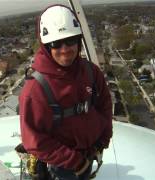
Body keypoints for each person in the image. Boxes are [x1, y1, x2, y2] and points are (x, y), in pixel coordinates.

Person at [19, 5, 112, 180]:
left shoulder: (91, 72)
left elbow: (105, 104)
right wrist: (75, 162)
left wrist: (102, 140)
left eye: (70, 40)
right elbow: (34, 140)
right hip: (61, 167)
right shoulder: (35, 89)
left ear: (78, 40)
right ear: (46, 46)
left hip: (90, 153)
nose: (65, 49)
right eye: (56, 43)